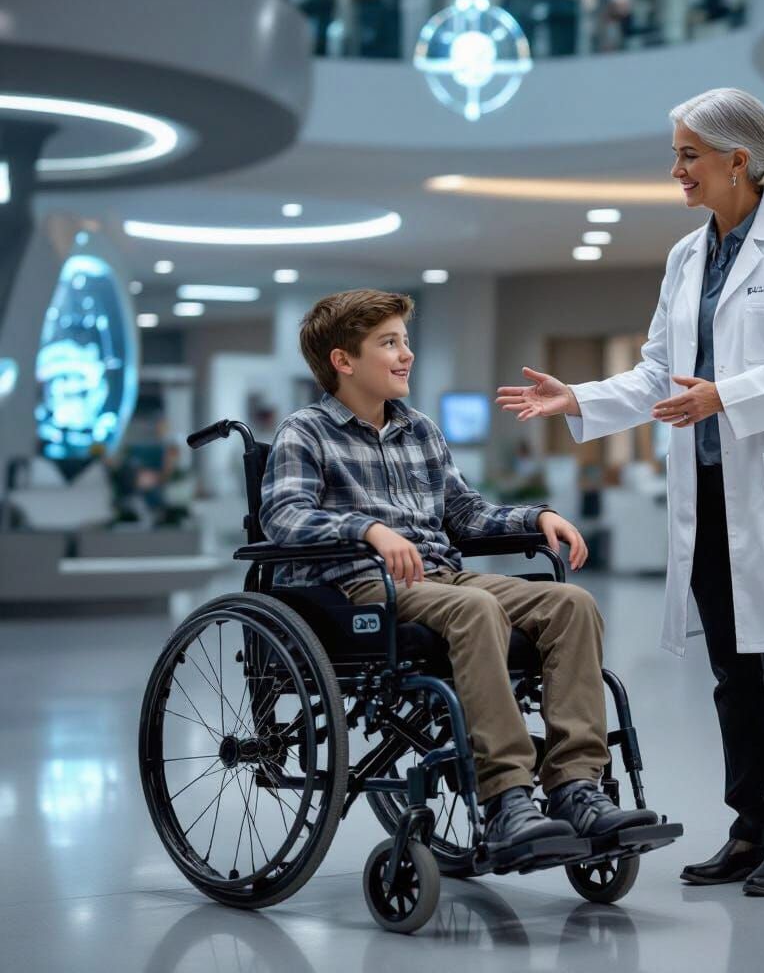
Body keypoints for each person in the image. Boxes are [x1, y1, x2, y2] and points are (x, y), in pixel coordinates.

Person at [496, 87, 764, 896]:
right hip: (709, 499)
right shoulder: (685, 258)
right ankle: (751, 828)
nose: (677, 171)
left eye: (689, 155)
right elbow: (660, 375)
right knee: (734, 673)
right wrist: (581, 398)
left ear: (740, 161)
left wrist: (725, 394)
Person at [259, 289, 659, 852]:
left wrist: (536, 515)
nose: (406, 355)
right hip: (359, 587)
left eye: (405, 341)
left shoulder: (419, 429)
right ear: (342, 361)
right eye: (389, 343)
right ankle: (506, 797)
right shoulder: (306, 432)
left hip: (441, 576)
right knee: (477, 609)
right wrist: (366, 529)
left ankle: (575, 785)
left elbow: (464, 513)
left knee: (572, 605)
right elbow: (282, 516)